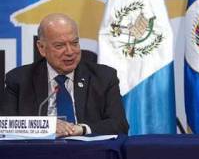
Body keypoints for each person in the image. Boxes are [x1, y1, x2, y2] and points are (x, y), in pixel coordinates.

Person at [0, 13, 129, 137]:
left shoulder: (104, 77)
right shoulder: (19, 80)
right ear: (41, 48)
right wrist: (47, 126)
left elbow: (119, 125)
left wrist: (82, 129)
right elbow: (6, 125)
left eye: (74, 43)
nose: (70, 52)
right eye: (59, 45)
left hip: (88, 154)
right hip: (38, 155)